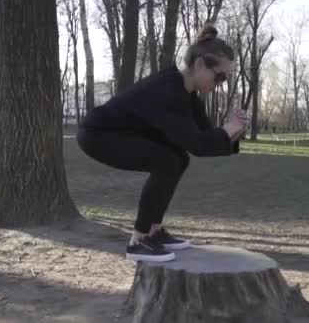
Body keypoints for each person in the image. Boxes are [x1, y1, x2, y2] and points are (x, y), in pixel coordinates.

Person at [76, 24, 248, 262]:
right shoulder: (168, 90)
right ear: (199, 65)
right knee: (166, 161)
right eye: (219, 76)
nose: (221, 83)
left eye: (225, 79)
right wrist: (227, 130)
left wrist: (233, 134)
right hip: (98, 134)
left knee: (179, 158)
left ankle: (154, 231)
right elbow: (198, 143)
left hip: (124, 133)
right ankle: (138, 241)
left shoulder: (188, 95)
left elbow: (205, 140)